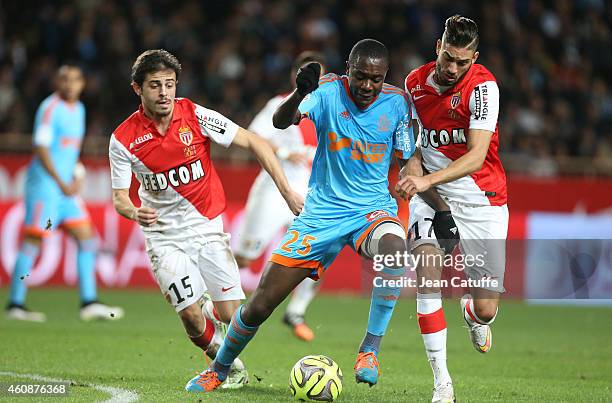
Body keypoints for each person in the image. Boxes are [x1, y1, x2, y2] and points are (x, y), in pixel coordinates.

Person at [185, 39, 452, 393]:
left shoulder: (397, 104)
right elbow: (282, 122)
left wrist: (442, 209)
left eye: (376, 78)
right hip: (321, 214)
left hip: (370, 211)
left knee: (395, 250)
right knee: (260, 305)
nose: (368, 86)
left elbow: (408, 165)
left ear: (385, 75)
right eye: (361, 77)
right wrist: (299, 93)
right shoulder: (327, 91)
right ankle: (219, 369)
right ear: (348, 68)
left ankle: (369, 351)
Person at [108, 49, 303, 390]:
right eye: (155, 85)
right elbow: (120, 197)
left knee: (234, 317)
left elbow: (254, 141)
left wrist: (286, 192)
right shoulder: (123, 140)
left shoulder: (195, 115)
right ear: (137, 89)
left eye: (169, 84)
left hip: (207, 228)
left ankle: (213, 311)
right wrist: (134, 211)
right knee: (190, 318)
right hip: (163, 236)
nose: (164, 92)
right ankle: (223, 365)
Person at [397, 15, 508, 403]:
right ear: (438, 49)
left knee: (487, 307)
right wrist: (419, 181)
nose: (453, 68)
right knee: (427, 273)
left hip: (482, 198)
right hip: (432, 198)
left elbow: (477, 156)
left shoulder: (484, 87)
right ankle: (442, 383)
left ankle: (472, 314)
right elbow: (410, 149)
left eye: (463, 62)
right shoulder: (413, 84)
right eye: (448, 58)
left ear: (473, 58)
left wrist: (426, 180)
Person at [5, 64, 124, 322]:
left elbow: (68, 151)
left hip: (65, 190)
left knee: (87, 238)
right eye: (65, 80)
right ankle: (15, 303)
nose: (70, 85)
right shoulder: (50, 109)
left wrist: (76, 172)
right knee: (33, 241)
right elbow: (41, 148)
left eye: (75, 80)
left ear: (82, 84)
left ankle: (88, 301)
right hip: (45, 187)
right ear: (57, 83)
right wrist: (61, 180)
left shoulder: (79, 110)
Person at [233, 51, 326, 342]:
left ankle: (296, 311)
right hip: (275, 191)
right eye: (307, 73)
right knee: (245, 258)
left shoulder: (327, 110)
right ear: (295, 76)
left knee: (318, 255)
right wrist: (285, 152)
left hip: (311, 196)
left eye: (318, 74)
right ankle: (219, 297)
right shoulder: (278, 105)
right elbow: (253, 136)